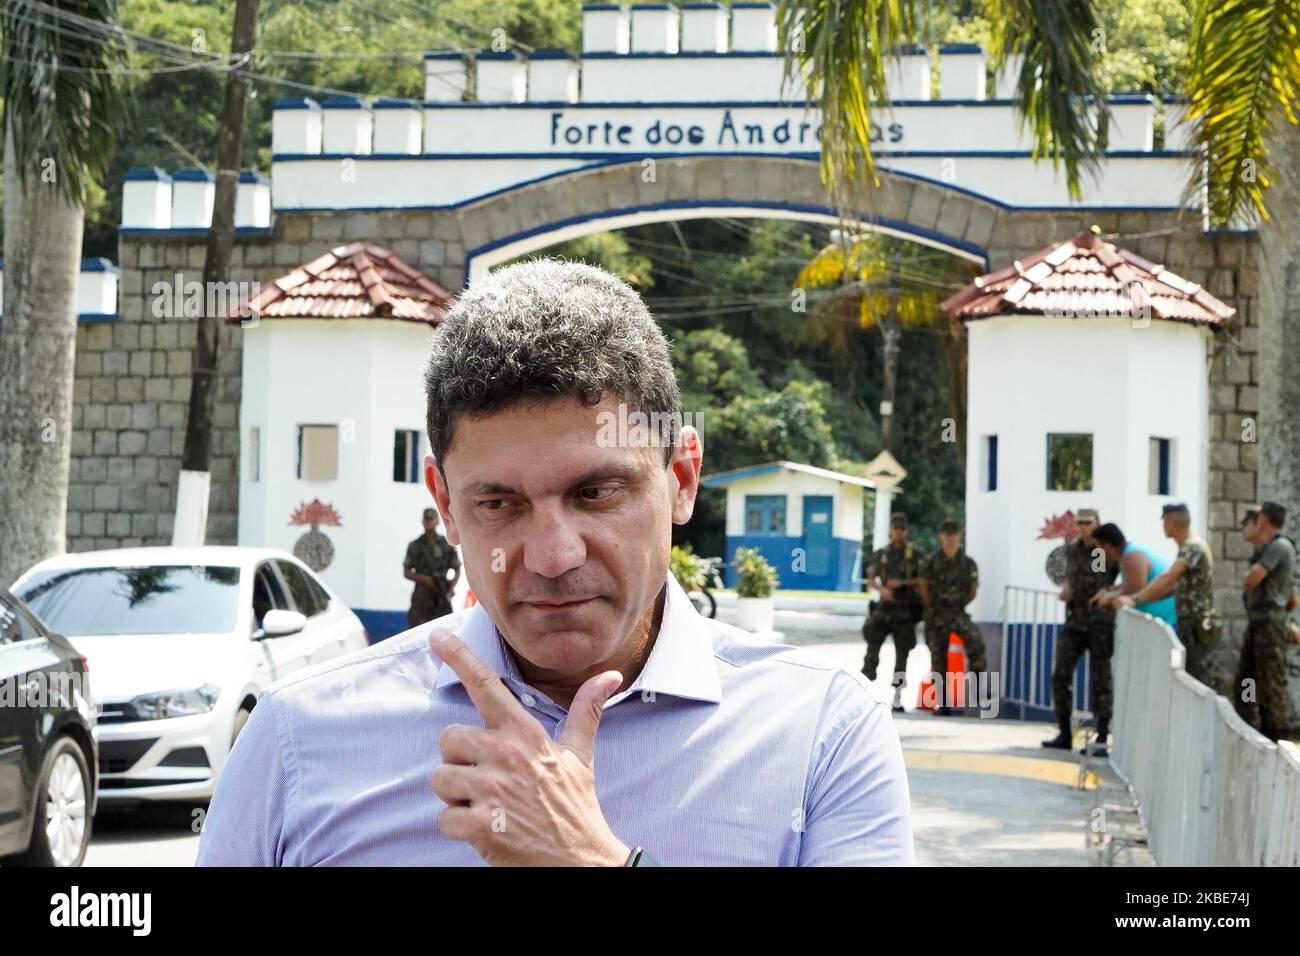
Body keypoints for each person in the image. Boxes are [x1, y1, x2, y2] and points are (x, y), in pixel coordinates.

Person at [197, 259, 914, 866]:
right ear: (444, 504)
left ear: (681, 480)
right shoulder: (299, 740)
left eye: (596, 492)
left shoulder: (821, 733)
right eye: (499, 504)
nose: (552, 556)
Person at [1111, 504, 1219, 688]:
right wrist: (1141, 598)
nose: (1162, 526)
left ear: (1170, 522)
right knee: (1188, 677)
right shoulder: (1188, 547)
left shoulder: (1192, 547)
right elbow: (1173, 588)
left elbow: (1169, 578)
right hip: (1189, 623)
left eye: (1163, 522)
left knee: (1196, 680)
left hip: (1197, 624)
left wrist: (1134, 599)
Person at [1044, 508, 1118, 752]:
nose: (1084, 527)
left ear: (1097, 523)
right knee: (1060, 675)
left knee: (1101, 679)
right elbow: (1070, 576)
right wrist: (1066, 587)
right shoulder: (1072, 549)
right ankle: (1065, 732)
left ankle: (1101, 735)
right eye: (1080, 523)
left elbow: (1098, 581)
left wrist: (1075, 591)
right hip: (1075, 622)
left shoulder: (1100, 550)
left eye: (1088, 522)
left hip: (1098, 622)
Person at [1235, 501, 1298, 742]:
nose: (1242, 527)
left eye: (1249, 520)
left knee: (1271, 687)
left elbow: (1252, 580)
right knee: (1248, 681)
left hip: (1270, 626)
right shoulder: (1265, 550)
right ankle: (1252, 728)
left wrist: (1282, 622)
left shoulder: (1280, 547)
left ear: (1263, 520)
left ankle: (1279, 739)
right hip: (1261, 623)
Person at [919, 519, 985, 716]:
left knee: (976, 644)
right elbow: (924, 588)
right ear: (941, 536)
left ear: (959, 535)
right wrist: (934, 606)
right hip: (937, 613)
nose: (951, 538)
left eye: (954, 533)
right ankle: (943, 703)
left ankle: (977, 694)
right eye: (947, 534)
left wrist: (959, 603)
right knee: (939, 658)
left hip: (958, 612)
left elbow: (972, 590)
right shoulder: (931, 562)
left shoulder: (967, 562)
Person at [861, 512, 926, 712]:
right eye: (895, 528)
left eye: (901, 528)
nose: (898, 531)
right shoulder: (882, 554)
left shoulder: (915, 554)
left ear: (905, 530)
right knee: (872, 649)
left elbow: (924, 579)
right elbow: (871, 580)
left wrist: (903, 583)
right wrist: (883, 590)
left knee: (902, 654)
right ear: (891, 530)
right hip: (885, 607)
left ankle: (897, 697)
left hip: (905, 609)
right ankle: (865, 693)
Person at [1090, 523, 1177, 629]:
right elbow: (1129, 584)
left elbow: (1134, 591)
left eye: (1098, 548)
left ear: (1106, 546)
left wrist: (1109, 598)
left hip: (1162, 624)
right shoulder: (1128, 554)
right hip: (1155, 623)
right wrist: (1107, 590)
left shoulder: (1132, 557)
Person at [403, 507, 462, 628]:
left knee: (445, 630)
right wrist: (424, 579)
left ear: (437, 521)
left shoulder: (447, 544)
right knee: (416, 632)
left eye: (431, 519)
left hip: (441, 595)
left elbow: (457, 568)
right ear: (422, 521)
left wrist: (451, 588)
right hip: (421, 599)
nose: (429, 522)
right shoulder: (415, 545)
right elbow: (406, 572)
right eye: (426, 519)